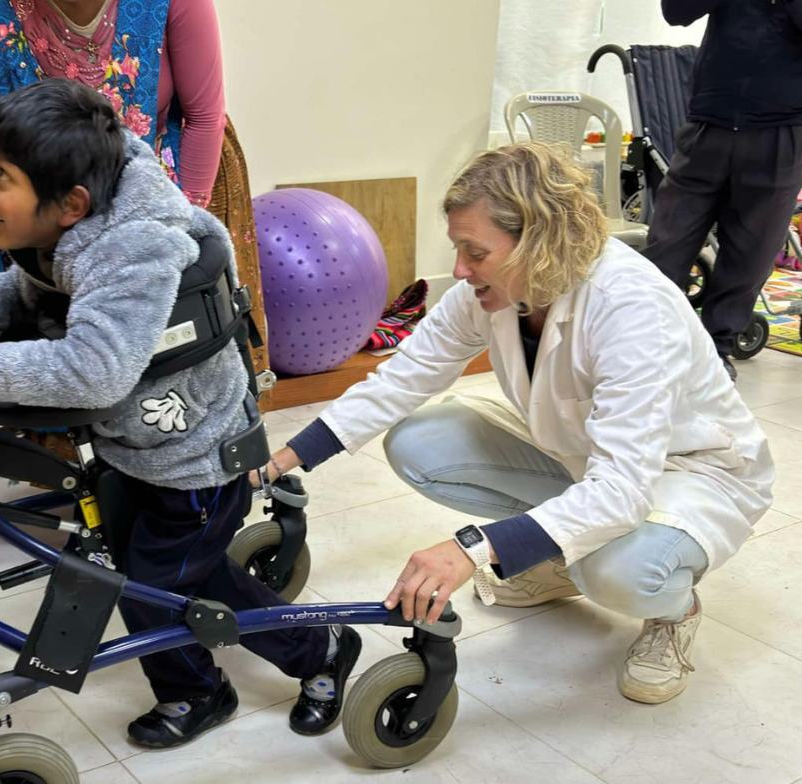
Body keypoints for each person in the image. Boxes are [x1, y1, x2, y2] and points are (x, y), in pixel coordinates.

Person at [0, 80, 360, 749]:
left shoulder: (134, 249)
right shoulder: (78, 220)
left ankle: (214, 686)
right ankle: (316, 644)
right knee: (186, 575)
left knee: (151, 586)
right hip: (139, 445)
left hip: (195, 458)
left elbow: (95, 367)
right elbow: (36, 292)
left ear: (69, 204)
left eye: (2, 177)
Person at [261, 143, 774, 704]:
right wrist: (283, 459)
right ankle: (562, 558)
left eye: (473, 252)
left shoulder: (632, 309)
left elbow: (625, 489)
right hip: (585, 458)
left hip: (690, 473)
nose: (458, 270)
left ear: (538, 242)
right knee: (419, 442)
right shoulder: (493, 292)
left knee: (619, 572)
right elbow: (402, 378)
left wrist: (471, 549)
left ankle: (673, 612)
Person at [642, 0, 802, 380]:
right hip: (708, 122)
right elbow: (676, 10)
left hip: (783, 129)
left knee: (750, 254)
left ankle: (715, 353)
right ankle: (644, 344)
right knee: (667, 244)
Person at [0, 0, 226, 279]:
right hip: (44, 213)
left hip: (159, 198)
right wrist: (50, 246)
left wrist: (177, 226)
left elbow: (204, 118)